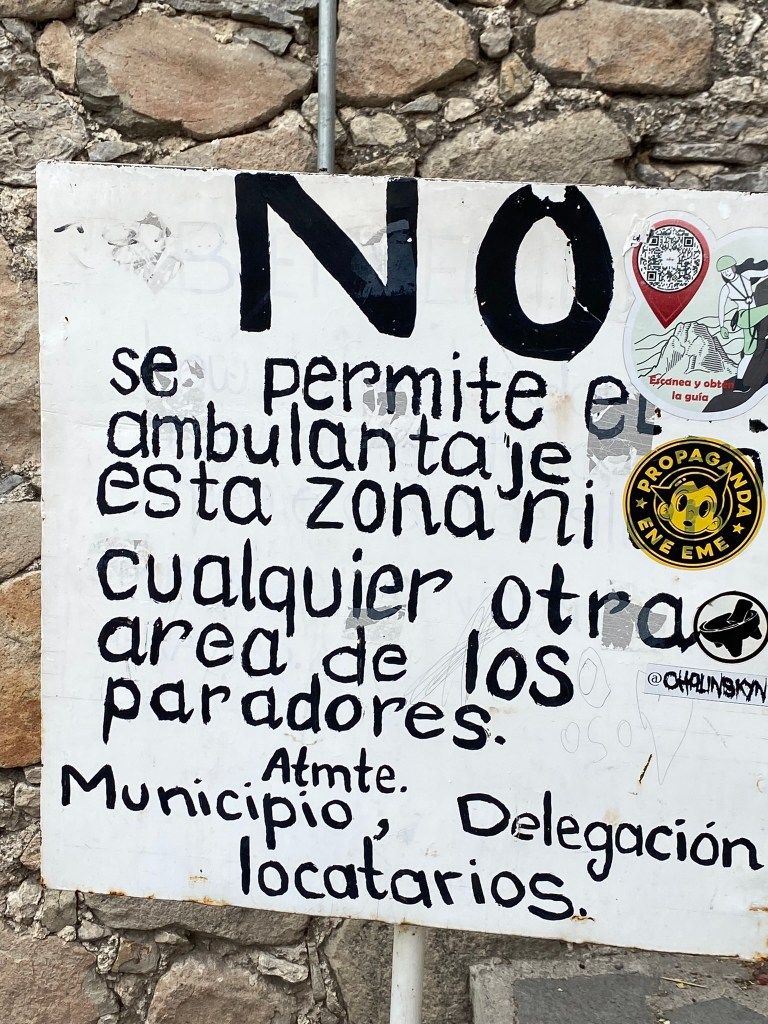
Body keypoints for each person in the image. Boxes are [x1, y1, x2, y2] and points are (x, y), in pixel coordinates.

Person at [717, 255, 768, 392]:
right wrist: (722, 327)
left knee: (749, 354)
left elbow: (764, 273)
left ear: (733, 268)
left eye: (728, 269)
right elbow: (721, 308)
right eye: (723, 272)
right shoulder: (726, 289)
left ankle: (738, 383)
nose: (726, 273)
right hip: (745, 317)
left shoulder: (746, 275)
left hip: (753, 315)